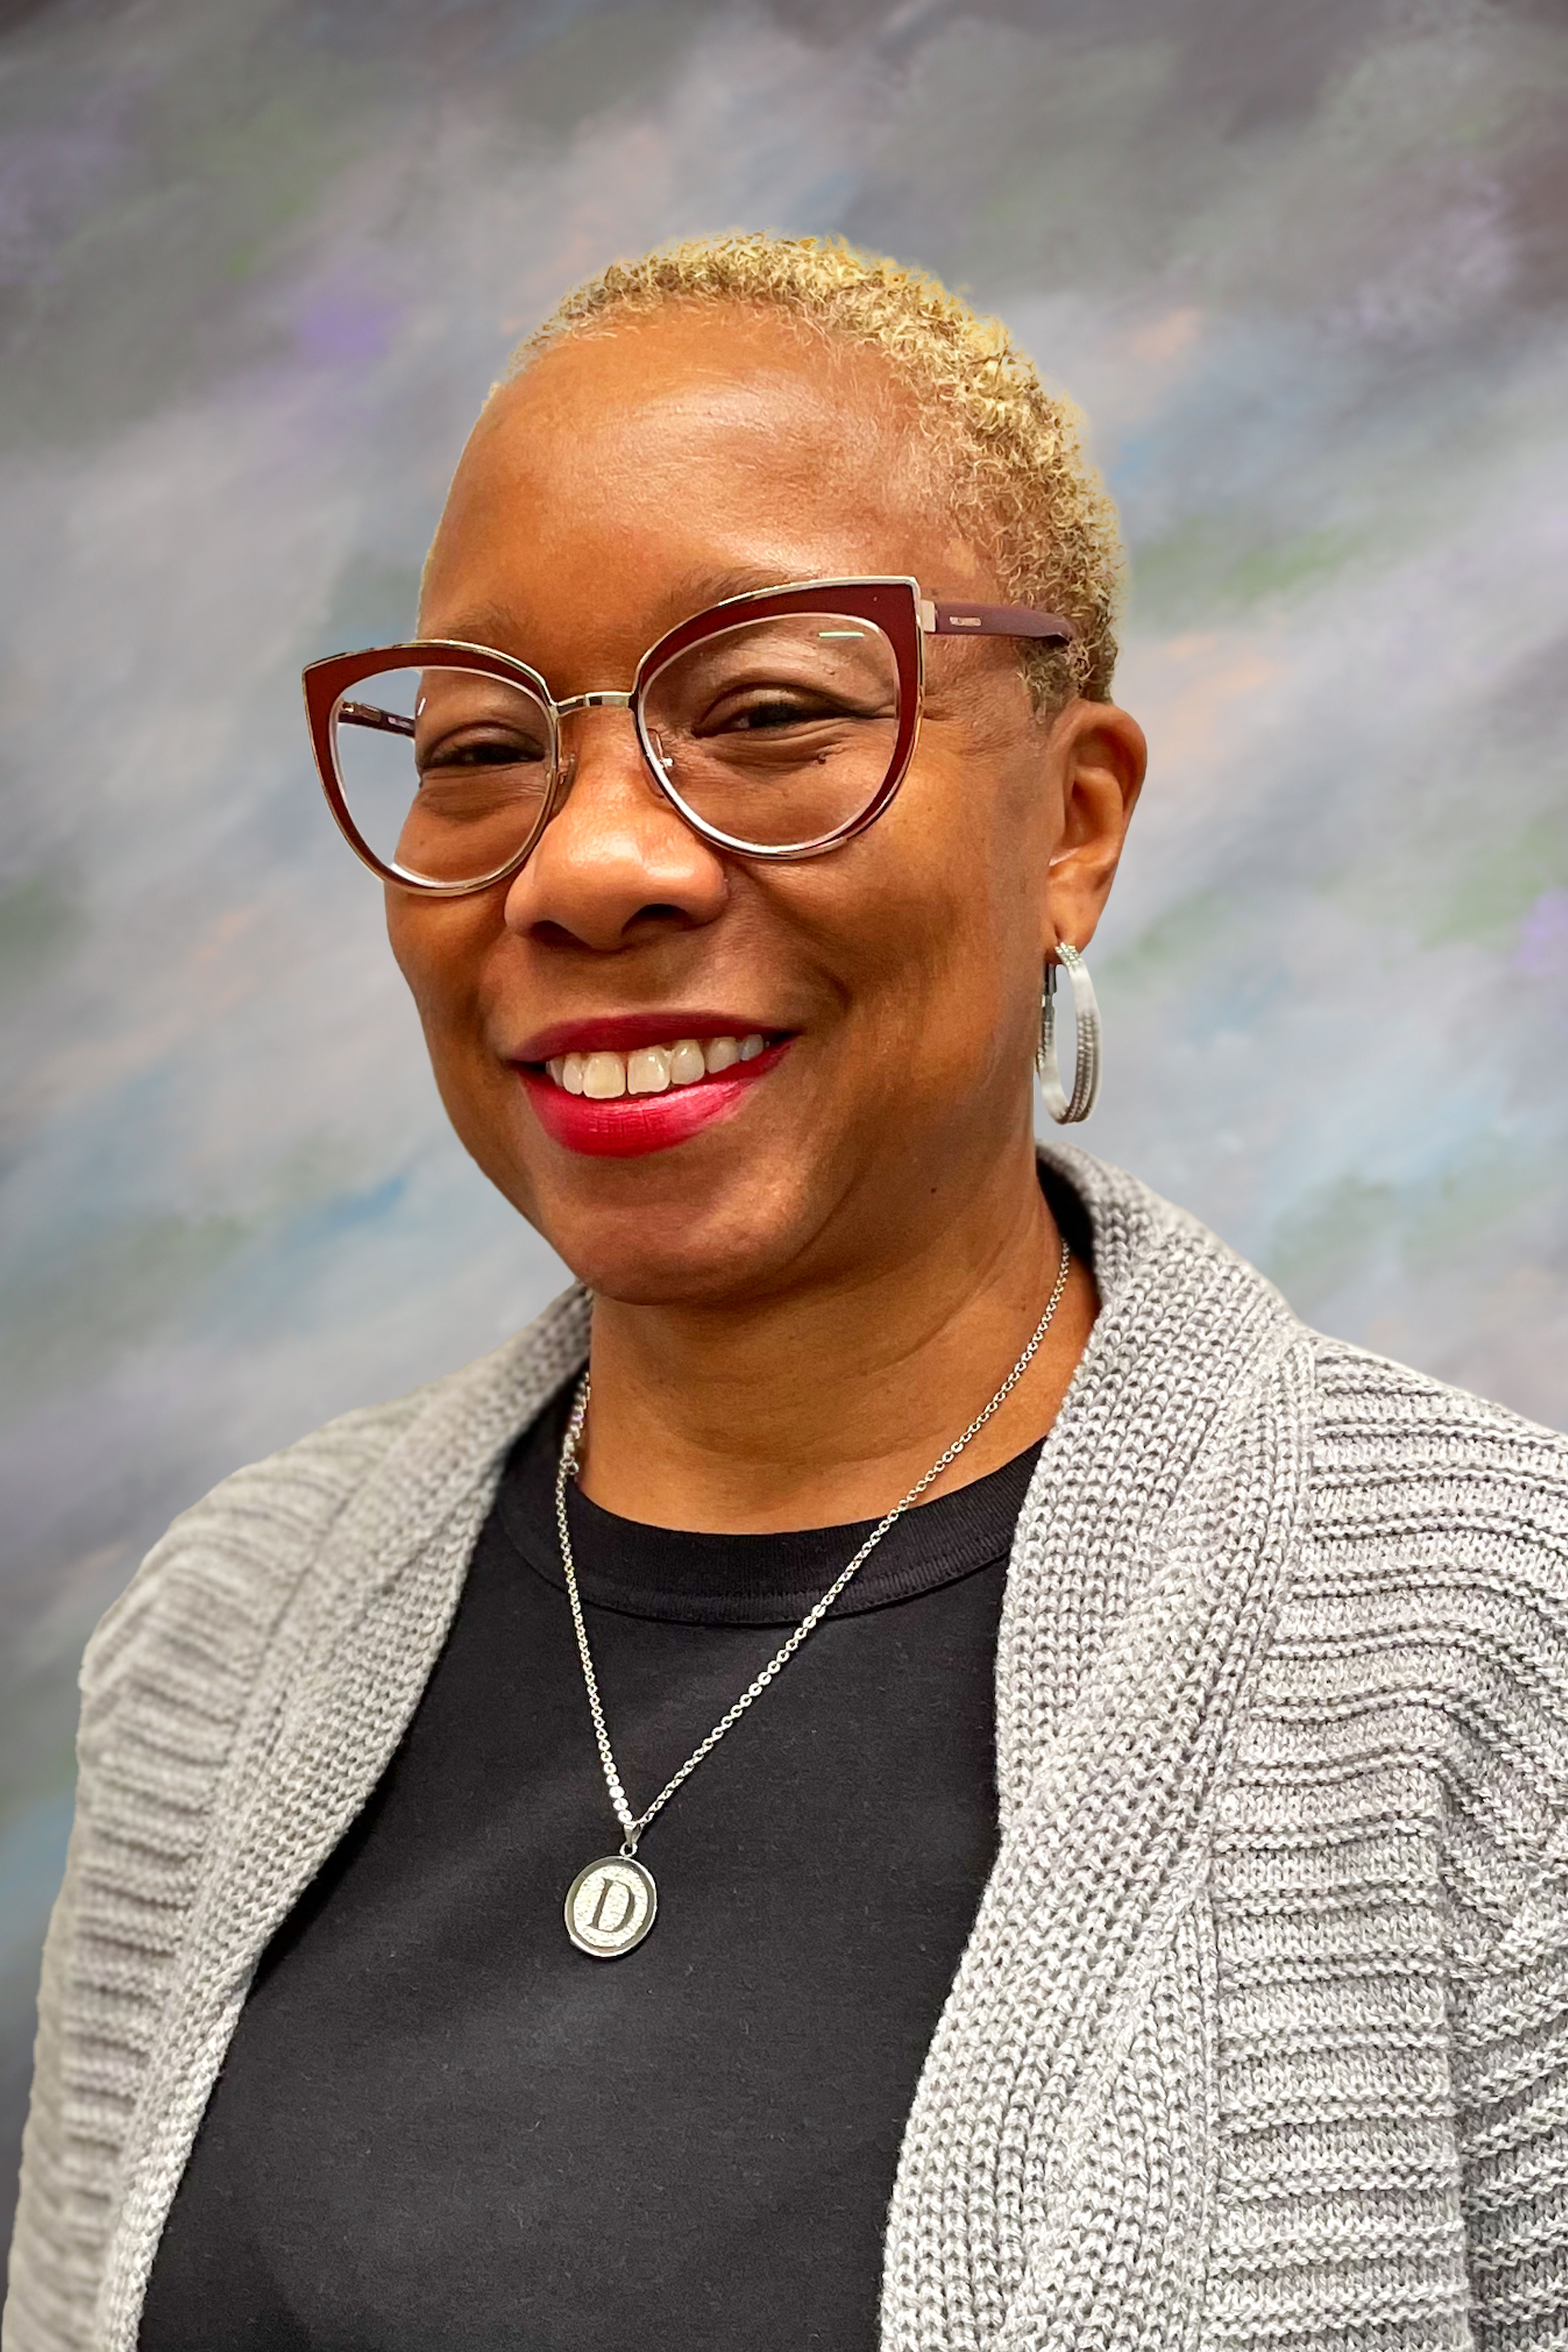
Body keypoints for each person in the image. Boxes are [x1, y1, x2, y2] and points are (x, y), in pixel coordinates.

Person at [6, 232, 1568, 2352]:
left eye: (764, 715)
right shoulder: (217, 1641)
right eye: (480, 749)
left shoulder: (1494, 1664)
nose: (588, 866)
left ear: (1074, 826)